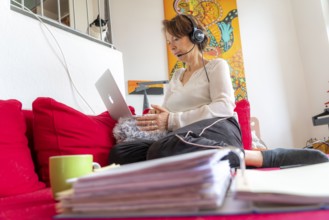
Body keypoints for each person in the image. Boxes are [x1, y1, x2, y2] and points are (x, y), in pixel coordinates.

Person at [109, 14, 328, 168]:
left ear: (195, 36)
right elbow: (171, 114)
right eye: (168, 42)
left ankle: (259, 157)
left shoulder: (216, 66)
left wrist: (172, 120)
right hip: (183, 136)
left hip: (219, 128)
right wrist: (160, 115)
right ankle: (189, 161)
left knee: (161, 149)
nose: (172, 46)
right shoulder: (176, 75)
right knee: (121, 153)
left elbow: (224, 107)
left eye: (176, 39)